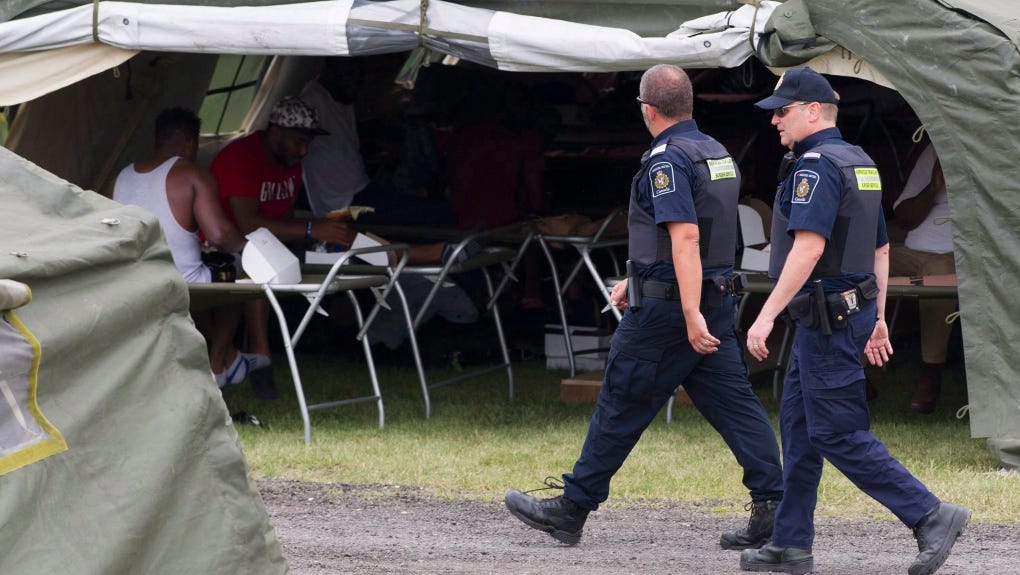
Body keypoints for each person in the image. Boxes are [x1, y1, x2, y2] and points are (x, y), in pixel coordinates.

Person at [504, 64, 784, 551]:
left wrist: (687, 310)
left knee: (621, 399)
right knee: (736, 406)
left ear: (647, 109)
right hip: (711, 298)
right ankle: (775, 509)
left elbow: (686, 235)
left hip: (674, 311)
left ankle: (572, 509)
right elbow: (707, 230)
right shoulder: (717, 152)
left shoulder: (667, 160)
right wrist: (639, 278)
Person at [741, 67, 969, 575]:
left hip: (826, 320)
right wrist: (880, 319)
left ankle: (930, 515)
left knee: (837, 432)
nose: (775, 121)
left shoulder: (815, 167)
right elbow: (881, 246)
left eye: (783, 110)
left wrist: (765, 316)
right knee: (800, 432)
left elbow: (809, 247)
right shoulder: (860, 161)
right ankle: (790, 543)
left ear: (813, 111)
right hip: (843, 314)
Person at [211, 97, 357, 398]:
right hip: (226, 249)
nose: (304, 151)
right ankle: (261, 357)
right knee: (257, 266)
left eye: (308, 144)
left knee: (350, 251)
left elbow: (283, 218)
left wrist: (319, 229)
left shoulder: (291, 162)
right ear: (276, 131)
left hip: (271, 247)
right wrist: (310, 229)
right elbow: (248, 225)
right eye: (299, 141)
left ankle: (420, 254)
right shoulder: (241, 158)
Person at [111, 107, 257, 386]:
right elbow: (219, 235)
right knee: (239, 271)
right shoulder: (193, 174)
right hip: (183, 282)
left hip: (133, 280)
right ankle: (218, 363)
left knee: (203, 273)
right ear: (191, 142)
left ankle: (228, 357)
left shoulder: (120, 177)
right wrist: (253, 249)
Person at [299, 57, 458, 226]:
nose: (358, 81)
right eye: (352, 74)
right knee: (438, 215)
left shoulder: (342, 99)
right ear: (331, 69)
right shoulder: (312, 102)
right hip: (342, 203)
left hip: (361, 190)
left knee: (431, 209)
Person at [890, 140, 956, 413]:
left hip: (951, 256)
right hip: (913, 251)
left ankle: (931, 371)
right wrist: (933, 187)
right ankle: (856, 370)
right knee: (863, 266)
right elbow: (904, 218)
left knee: (938, 275)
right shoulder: (935, 148)